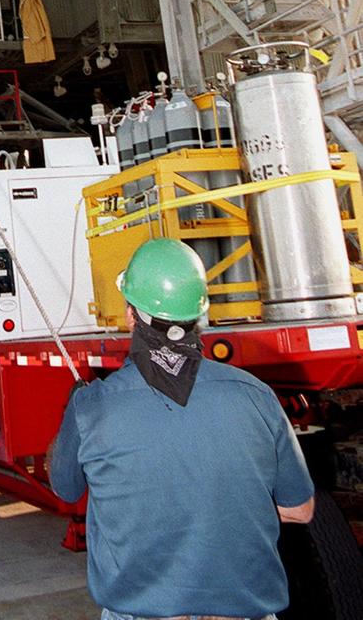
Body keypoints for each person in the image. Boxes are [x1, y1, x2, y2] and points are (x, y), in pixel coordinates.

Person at [50, 239, 315, 620]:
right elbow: (300, 510)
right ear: (201, 312)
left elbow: (65, 488)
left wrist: (72, 413)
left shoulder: (91, 407)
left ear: (130, 315)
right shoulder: (256, 395)